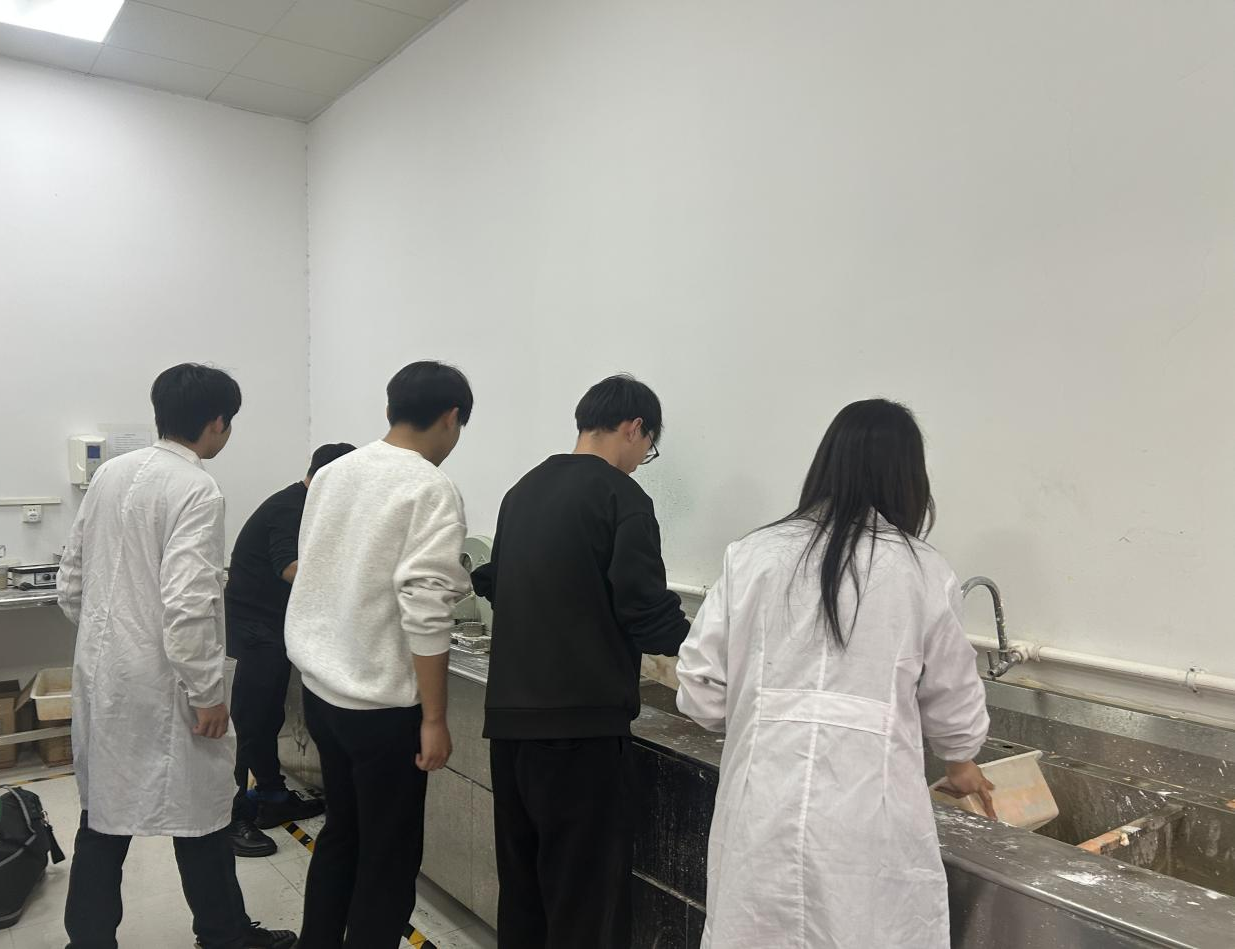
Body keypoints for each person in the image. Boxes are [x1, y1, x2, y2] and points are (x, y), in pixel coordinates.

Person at [675, 399, 995, 948]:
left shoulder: (752, 555)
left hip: (762, 812)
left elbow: (700, 693)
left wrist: (770, 722)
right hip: (869, 821)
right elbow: (955, 710)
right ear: (908, 480)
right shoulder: (923, 571)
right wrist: (961, 761)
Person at [57, 363, 296, 949]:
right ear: (217, 422)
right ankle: (224, 936)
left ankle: (89, 942)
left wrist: (110, 640)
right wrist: (208, 693)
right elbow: (190, 603)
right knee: (204, 816)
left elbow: (71, 580)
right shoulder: (196, 488)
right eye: (229, 422)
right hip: (168, 682)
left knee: (103, 817)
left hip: (105, 676)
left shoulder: (110, 474)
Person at [472, 374, 690, 949]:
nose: (642, 461)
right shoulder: (622, 498)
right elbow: (647, 613)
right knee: (583, 901)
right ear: (635, 427)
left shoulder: (522, 491)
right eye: (649, 447)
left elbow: (497, 582)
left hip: (511, 728)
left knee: (524, 890)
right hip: (581, 732)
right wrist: (713, 650)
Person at [285, 361, 474, 948]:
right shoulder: (430, 487)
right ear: (451, 417)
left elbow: (322, 567)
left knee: (342, 834)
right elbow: (425, 607)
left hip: (322, 691)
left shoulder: (333, 473)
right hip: (382, 709)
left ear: (391, 408)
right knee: (388, 859)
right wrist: (435, 718)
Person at [225, 442, 357, 858]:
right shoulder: (290, 508)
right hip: (254, 629)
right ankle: (231, 818)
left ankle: (273, 797)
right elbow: (291, 568)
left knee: (269, 717)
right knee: (249, 722)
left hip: (275, 628)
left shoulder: (310, 506)